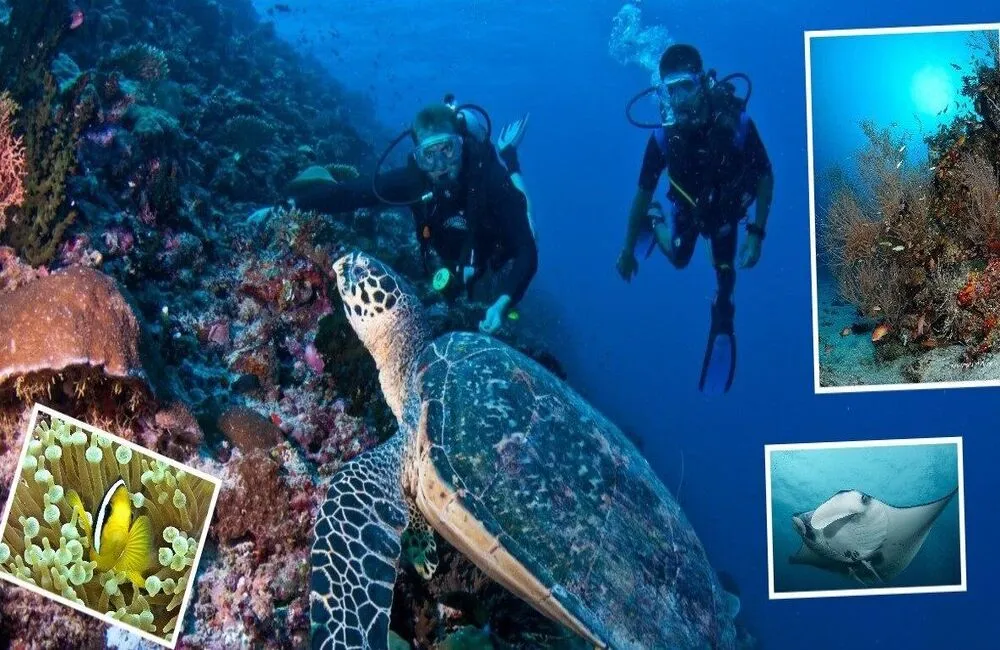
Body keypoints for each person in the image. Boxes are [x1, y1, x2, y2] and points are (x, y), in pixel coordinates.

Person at [286, 96, 536, 335]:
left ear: (461, 145)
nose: (440, 164)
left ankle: (509, 156)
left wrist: (502, 303)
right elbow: (353, 193)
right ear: (418, 155)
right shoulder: (415, 180)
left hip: (492, 245)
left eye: (447, 149)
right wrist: (292, 205)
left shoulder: (489, 180)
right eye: (429, 154)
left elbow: (527, 249)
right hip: (454, 250)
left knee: (528, 224)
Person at [616, 44, 774, 394]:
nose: (679, 99)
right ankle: (656, 221)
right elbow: (641, 195)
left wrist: (756, 233)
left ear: (702, 83)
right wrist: (627, 250)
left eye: (685, 87)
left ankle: (722, 318)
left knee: (726, 277)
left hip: (726, 214)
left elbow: (765, 176)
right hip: (687, 211)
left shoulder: (738, 124)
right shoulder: (663, 137)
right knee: (679, 259)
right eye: (670, 90)